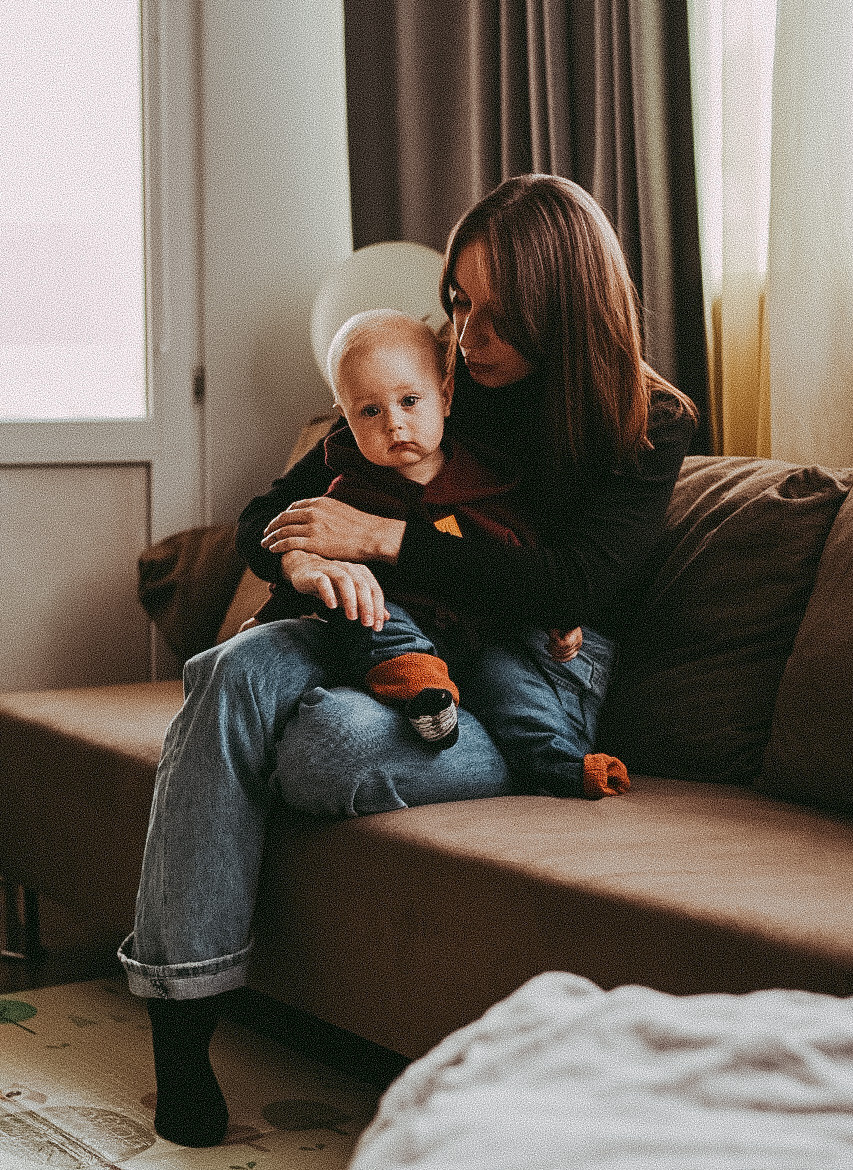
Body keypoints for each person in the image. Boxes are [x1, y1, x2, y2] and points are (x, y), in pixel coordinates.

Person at [118, 172, 697, 1150]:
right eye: (459, 304)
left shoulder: (648, 422)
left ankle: (409, 714)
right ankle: (181, 1029)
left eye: (495, 315)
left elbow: (569, 586)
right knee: (228, 673)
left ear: (562, 305)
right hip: (385, 628)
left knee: (320, 748)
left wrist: (381, 542)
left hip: (529, 678)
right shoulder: (433, 383)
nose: (467, 336)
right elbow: (272, 511)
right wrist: (303, 553)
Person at [251, 305, 631, 799]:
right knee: (363, 607)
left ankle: (563, 766)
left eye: (410, 401)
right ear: (344, 419)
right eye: (370, 411)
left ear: (446, 397)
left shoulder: (484, 483)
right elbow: (286, 540)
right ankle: (423, 690)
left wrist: (558, 617)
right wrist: (272, 610)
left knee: (517, 693)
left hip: (484, 639)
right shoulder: (344, 492)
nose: (395, 424)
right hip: (392, 643)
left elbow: (523, 562)